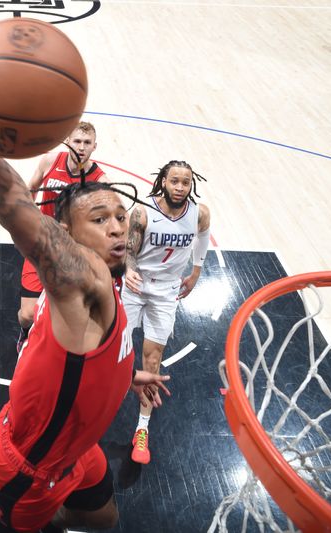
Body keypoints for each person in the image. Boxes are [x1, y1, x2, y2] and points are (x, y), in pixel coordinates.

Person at [0, 27, 171, 533]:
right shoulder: (83, 276)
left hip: (78, 450)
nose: (117, 227)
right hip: (26, 467)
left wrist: (123, 376)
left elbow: (90, 349)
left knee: (105, 520)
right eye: (99, 218)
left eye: (120, 217)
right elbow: (19, 209)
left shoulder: (103, 284)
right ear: (65, 233)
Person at [122, 160, 210, 465]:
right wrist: (129, 269)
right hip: (136, 286)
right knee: (114, 349)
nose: (180, 187)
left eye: (185, 182)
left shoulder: (199, 213)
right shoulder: (143, 211)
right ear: (163, 181)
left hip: (168, 291)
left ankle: (142, 429)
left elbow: (203, 239)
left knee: (153, 358)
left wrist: (197, 271)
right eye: (174, 181)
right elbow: (129, 250)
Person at [17, 122, 105, 350]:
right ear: (67, 141)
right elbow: (32, 188)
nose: (81, 147)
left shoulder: (101, 181)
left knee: (69, 318)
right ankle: (25, 332)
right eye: (77, 141)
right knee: (27, 314)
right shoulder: (49, 161)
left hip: (74, 254)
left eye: (87, 143)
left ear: (95, 146)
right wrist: (26, 216)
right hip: (41, 244)